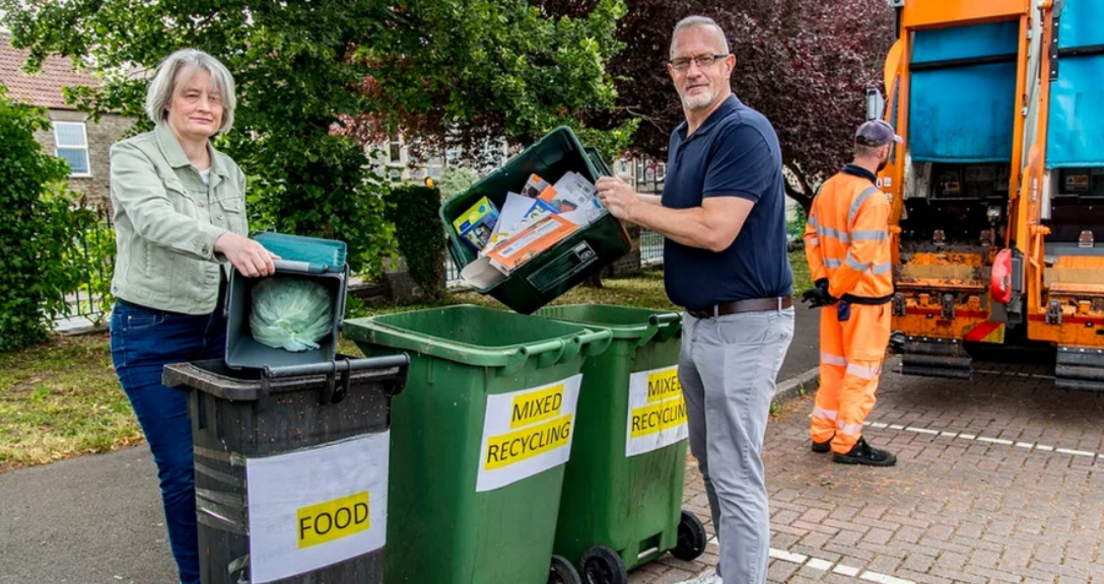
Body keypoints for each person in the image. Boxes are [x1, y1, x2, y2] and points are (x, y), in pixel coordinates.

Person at [596, 15, 795, 584]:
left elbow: (715, 228)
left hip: (746, 327)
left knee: (735, 473)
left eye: (706, 58)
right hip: (701, 326)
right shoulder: (684, 137)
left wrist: (635, 207)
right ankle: (732, 572)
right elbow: (679, 215)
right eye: (683, 62)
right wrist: (618, 215)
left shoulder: (743, 132)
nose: (694, 70)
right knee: (713, 465)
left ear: (728, 65)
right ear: (670, 73)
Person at [108, 48, 277, 584]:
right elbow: (154, 220)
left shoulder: (229, 170)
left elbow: (240, 260)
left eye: (216, 98)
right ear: (167, 101)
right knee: (184, 471)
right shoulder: (132, 155)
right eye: (192, 94)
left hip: (217, 331)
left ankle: (239, 568)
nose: (206, 106)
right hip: (151, 334)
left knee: (234, 463)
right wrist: (224, 240)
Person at [800, 119, 901, 467]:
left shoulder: (827, 187)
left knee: (833, 370)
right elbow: (862, 255)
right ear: (884, 152)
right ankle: (847, 442)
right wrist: (837, 287)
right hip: (866, 304)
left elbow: (810, 236)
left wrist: (824, 284)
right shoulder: (872, 200)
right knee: (862, 373)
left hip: (836, 303)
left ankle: (822, 433)